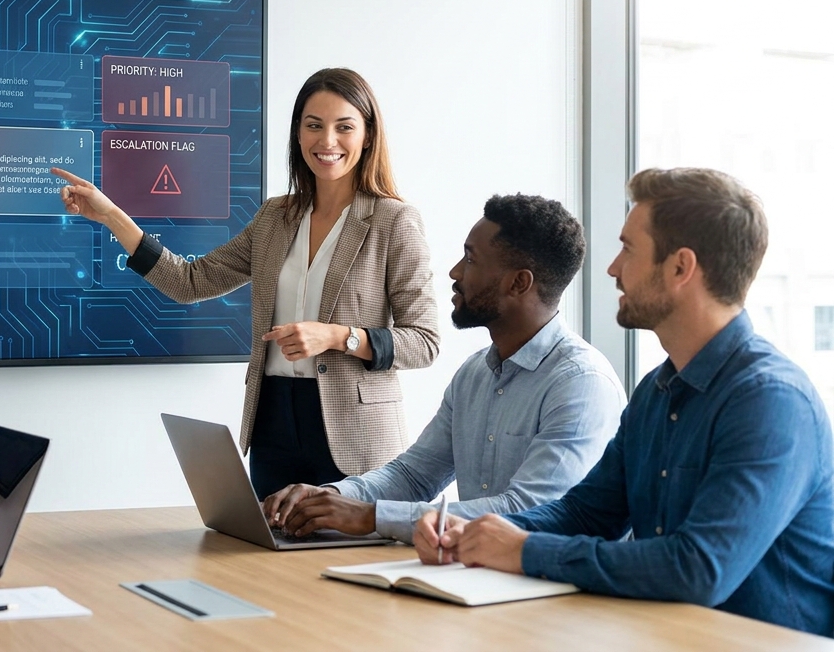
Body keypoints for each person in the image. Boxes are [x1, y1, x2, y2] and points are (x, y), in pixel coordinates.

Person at [417, 168, 834, 636]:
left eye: (628, 249)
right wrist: (477, 534)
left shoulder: (771, 401)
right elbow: (587, 513)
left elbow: (697, 569)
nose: (613, 269)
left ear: (680, 268)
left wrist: (523, 550)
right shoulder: (657, 390)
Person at [54, 67, 440, 498]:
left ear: (367, 136)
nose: (327, 141)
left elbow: (424, 341)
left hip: (355, 436)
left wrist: (338, 337)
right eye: (314, 126)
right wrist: (110, 216)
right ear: (298, 134)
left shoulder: (394, 221)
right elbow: (190, 281)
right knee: (263, 559)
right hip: (273, 422)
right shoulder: (276, 217)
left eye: (344, 127)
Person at [262, 195, 625, 542]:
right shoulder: (475, 374)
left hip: (549, 591)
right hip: (477, 574)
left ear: (519, 283)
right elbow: (413, 476)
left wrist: (371, 516)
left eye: (470, 259)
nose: (454, 272)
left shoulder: (581, 384)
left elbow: (530, 511)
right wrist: (328, 497)